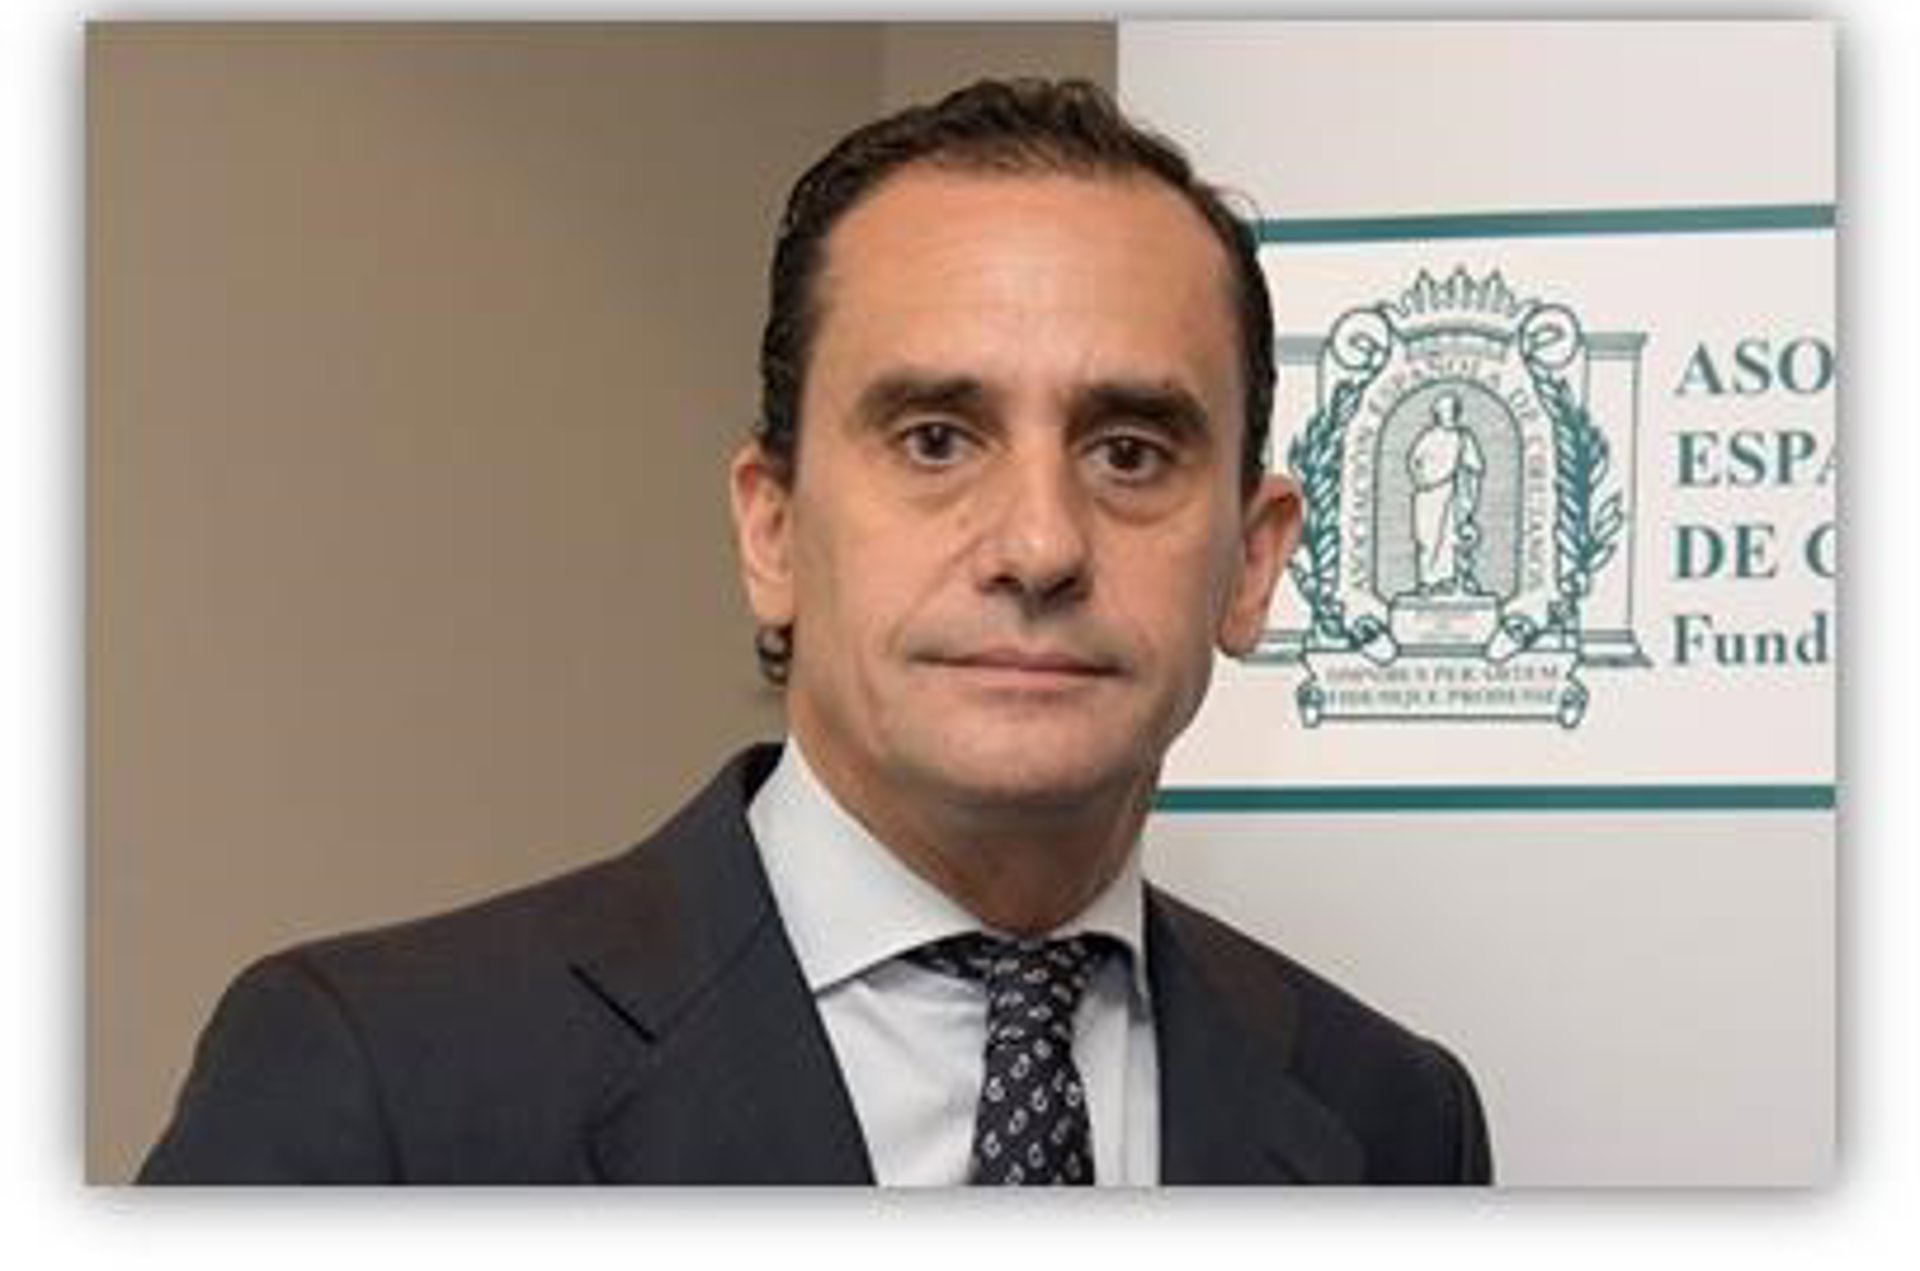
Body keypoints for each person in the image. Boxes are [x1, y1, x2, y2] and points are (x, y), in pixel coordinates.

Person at [140, 78, 1492, 1186]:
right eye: (936, 438)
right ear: (773, 530)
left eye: (1130, 452)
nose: (1039, 545)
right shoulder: (378, 1083)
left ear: (1252, 562)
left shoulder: (1392, 1120)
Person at [1408, 391, 1485, 595]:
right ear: (1438, 414)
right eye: (1445, 411)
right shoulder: (1428, 437)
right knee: (1427, 537)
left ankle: (1447, 580)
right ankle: (1426, 581)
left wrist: (1467, 486)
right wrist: (1423, 479)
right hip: (1427, 495)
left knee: (1448, 538)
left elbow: (1474, 466)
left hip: (1450, 493)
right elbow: (1414, 461)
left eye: (1452, 411)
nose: (1449, 415)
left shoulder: (1462, 438)